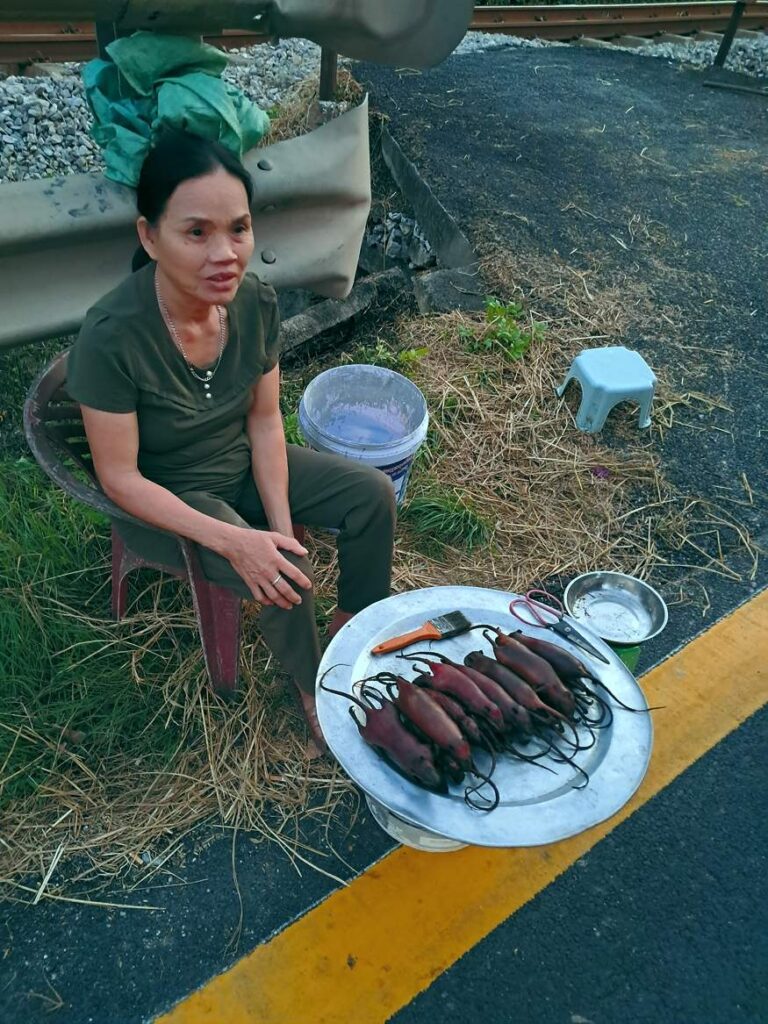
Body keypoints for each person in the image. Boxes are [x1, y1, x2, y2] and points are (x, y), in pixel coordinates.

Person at [66, 130, 397, 754]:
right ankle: (311, 683)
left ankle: (352, 625)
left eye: (238, 228)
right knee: (284, 573)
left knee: (372, 494)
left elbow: (265, 422)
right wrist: (236, 542)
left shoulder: (253, 303)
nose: (225, 253)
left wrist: (278, 523)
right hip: (166, 498)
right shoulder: (113, 336)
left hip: (238, 465)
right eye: (197, 233)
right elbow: (120, 478)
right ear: (149, 237)